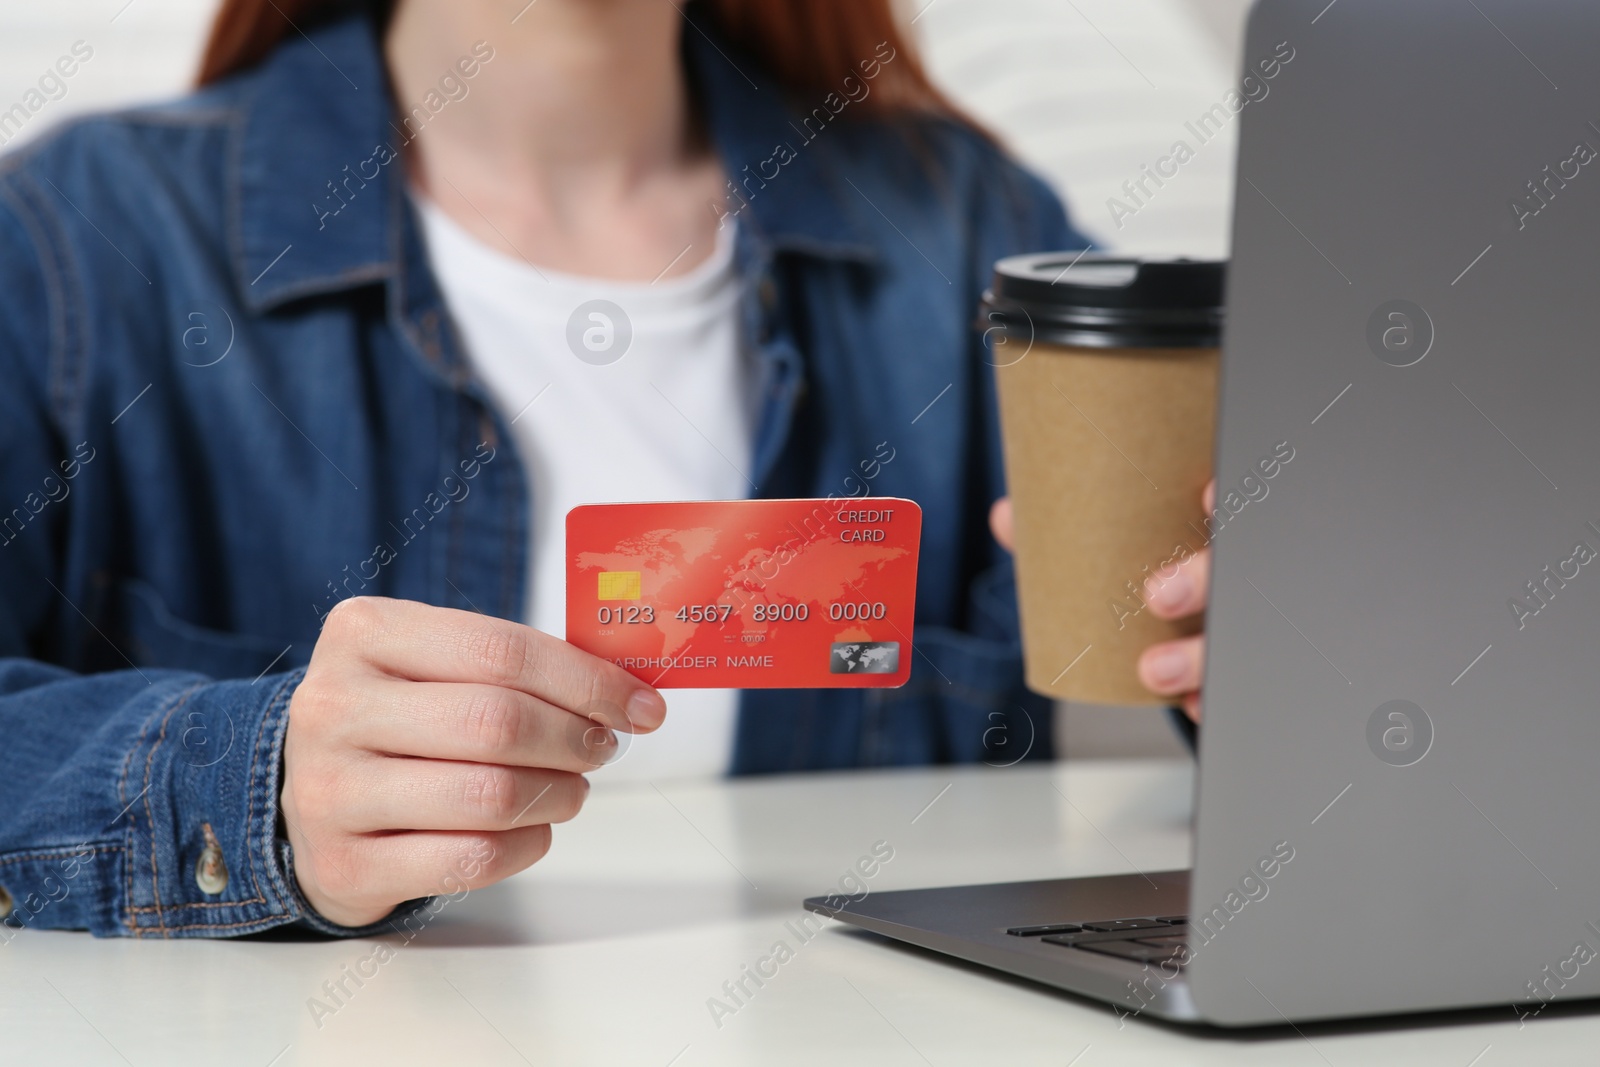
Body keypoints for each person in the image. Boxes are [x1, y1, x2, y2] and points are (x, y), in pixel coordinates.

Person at [0, 0, 1090, 937]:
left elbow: (1194, 652)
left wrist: (1228, 647)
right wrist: (254, 784)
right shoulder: (74, 242)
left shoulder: (977, 233)